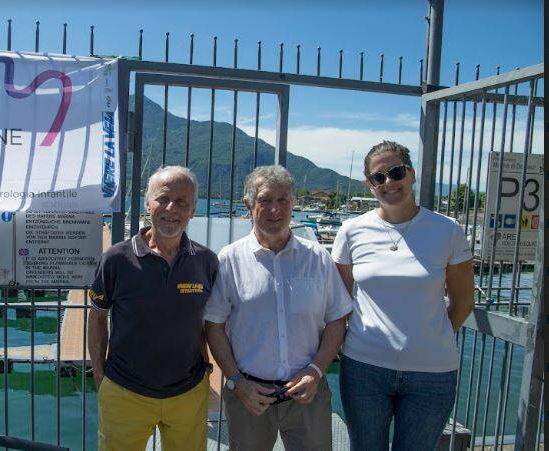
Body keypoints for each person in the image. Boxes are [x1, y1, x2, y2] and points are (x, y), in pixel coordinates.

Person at [331, 141, 475, 451]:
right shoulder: (351, 231)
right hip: (364, 369)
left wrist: (432, 337)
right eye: (378, 177)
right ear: (369, 185)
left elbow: (464, 302)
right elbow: (338, 303)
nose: (388, 183)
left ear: (411, 174)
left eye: (395, 172)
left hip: (432, 374)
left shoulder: (447, 230)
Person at [205, 165, 353, 451]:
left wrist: (316, 371)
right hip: (249, 396)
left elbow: (337, 319)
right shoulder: (230, 259)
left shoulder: (318, 259)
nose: (275, 209)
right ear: (249, 206)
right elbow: (214, 326)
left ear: (294, 203)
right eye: (265, 200)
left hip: (308, 394)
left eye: (283, 200)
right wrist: (236, 381)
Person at [87, 165, 218, 451]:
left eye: (182, 202)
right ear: (148, 203)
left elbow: (210, 323)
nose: (171, 208)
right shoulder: (115, 259)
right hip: (125, 393)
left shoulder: (207, 262)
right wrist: (100, 375)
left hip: (188, 393)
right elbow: (97, 318)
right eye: (163, 198)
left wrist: (207, 367)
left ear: (193, 210)